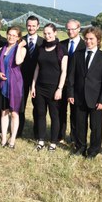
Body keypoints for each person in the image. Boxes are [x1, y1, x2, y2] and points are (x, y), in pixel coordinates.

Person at [67, 27, 102, 158]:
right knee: (80, 125)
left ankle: (93, 150)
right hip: (79, 97)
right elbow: (71, 77)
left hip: (96, 99)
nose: (88, 41)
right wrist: (70, 93)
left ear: (98, 40)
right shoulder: (77, 55)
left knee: (96, 127)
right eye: (86, 38)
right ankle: (80, 146)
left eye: (91, 39)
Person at [31, 23, 68, 152]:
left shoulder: (62, 49)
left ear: (55, 32)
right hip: (40, 87)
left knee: (54, 116)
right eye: (45, 33)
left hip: (54, 89)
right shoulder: (40, 48)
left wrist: (60, 88)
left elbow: (64, 71)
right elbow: (37, 67)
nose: (47, 36)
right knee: (40, 114)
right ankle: (41, 140)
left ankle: (53, 142)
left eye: (49, 33)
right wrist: (33, 85)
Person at [0, 26, 26, 149]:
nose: (11, 37)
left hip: (15, 84)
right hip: (3, 84)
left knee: (14, 113)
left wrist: (20, 46)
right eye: (9, 34)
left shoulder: (22, 50)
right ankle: (3, 139)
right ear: (6, 35)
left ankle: (12, 139)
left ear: (18, 37)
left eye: (14, 35)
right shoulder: (1, 49)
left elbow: (18, 62)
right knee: (4, 112)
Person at [59, 19, 85, 143]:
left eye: (73, 29)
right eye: (68, 29)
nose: (70, 31)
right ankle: (60, 135)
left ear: (79, 29)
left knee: (75, 113)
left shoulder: (85, 45)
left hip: (77, 85)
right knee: (60, 110)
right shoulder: (61, 44)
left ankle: (74, 138)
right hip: (62, 84)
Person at [18, 15, 43, 139]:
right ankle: (18, 131)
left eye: (34, 26)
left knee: (38, 107)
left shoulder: (43, 42)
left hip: (38, 79)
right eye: (29, 25)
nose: (31, 28)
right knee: (20, 105)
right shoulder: (20, 40)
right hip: (21, 78)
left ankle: (37, 134)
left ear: (38, 26)